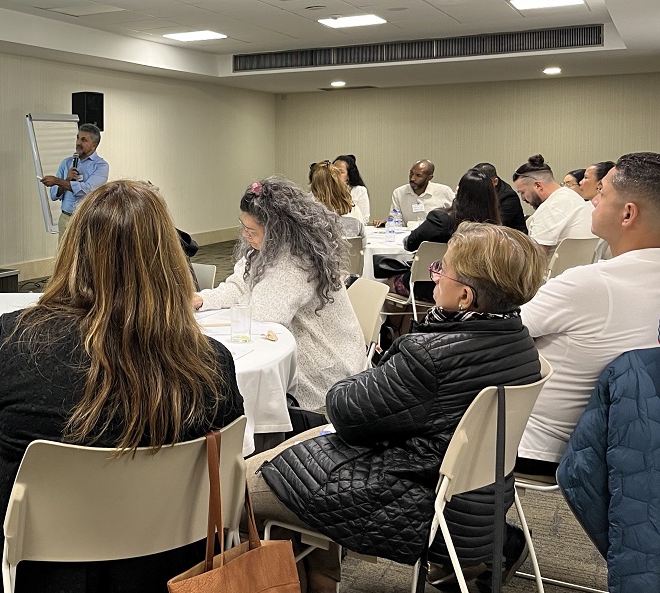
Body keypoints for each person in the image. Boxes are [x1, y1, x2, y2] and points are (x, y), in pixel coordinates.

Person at [0, 180, 245, 593]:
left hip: (29, 570)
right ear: (171, 261)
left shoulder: (17, 340)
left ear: (74, 253)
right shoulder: (212, 363)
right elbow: (226, 467)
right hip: (168, 567)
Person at [251, 222, 548, 593]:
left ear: (466, 298)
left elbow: (344, 411)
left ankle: (304, 581)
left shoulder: (430, 357)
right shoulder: (518, 340)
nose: (433, 277)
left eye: (441, 269)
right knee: (299, 445)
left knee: (244, 484)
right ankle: (320, 581)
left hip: (415, 496)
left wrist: (362, 375)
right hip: (479, 496)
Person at [517, 152, 660, 476]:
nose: (592, 202)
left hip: (531, 444)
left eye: (601, 193)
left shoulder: (590, 284)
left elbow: (495, 334)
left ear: (627, 213)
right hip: (610, 446)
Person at [193, 177, 365, 411]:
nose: (245, 235)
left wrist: (237, 302)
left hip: (325, 370)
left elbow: (263, 317)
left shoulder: (296, 262)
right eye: (243, 227)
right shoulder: (265, 250)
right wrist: (204, 299)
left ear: (278, 231)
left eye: (251, 230)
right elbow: (239, 285)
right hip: (311, 351)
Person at [389, 168, 503, 300]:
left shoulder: (441, 219)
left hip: (433, 285)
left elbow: (410, 244)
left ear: (459, 192)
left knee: (387, 282)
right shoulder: (494, 228)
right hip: (475, 292)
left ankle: (400, 320)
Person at [513, 154, 596, 256]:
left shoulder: (549, 208)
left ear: (538, 186)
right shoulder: (573, 197)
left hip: (554, 271)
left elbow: (536, 257)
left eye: (522, 192)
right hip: (581, 267)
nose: (523, 198)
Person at [40, 123, 109, 237]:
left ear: (94, 145)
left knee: (85, 254)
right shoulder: (66, 163)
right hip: (66, 218)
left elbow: (88, 190)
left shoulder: (101, 166)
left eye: (83, 140)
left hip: (87, 220)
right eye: (77, 138)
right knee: (65, 254)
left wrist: (59, 181)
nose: (78, 143)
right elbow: (54, 195)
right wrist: (66, 179)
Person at [381, 159, 456, 226]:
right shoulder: (399, 193)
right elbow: (395, 219)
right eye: (411, 173)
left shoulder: (443, 191)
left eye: (418, 175)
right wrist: (387, 223)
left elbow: (457, 215)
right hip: (407, 237)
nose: (412, 178)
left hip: (435, 237)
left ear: (429, 177)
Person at [309, 161, 363, 237]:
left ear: (314, 185)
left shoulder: (306, 213)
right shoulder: (353, 209)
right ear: (340, 184)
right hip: (349, 248)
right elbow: (362, 242)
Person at [473, 162, 528, 234]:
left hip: (511, 239)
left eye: (481, 184)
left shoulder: (509, 197)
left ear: (495, 182)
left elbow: (495, 225)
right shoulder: (478, 189)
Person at [332, 154, 371, 223]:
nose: (336, 175)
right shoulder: (326, 190)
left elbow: (364, 219)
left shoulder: (359, 190)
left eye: (341, 172)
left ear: (349, 175)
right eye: (334, 171)